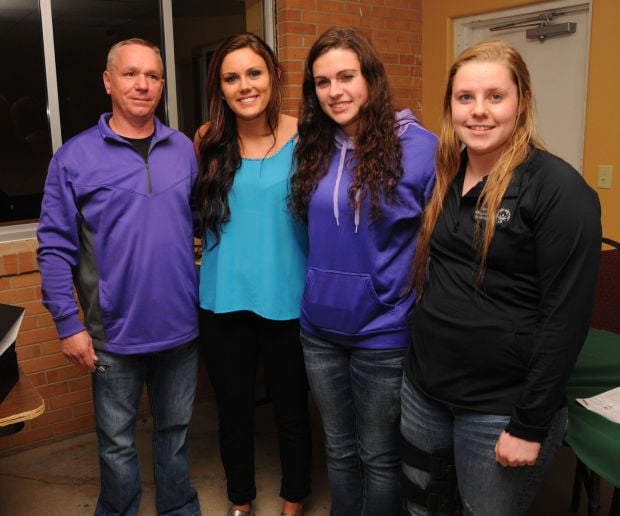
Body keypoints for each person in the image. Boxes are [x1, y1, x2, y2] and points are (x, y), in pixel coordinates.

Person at [400, 40, 602, 516]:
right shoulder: (448, 173)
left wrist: (530, 425)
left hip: (497, 410)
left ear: (522, 101)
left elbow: (565, 320)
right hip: (425, 391)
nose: (478, 112)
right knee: (421, 507)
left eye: (495, 96)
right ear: (450, 105)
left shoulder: (559, 190)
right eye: (465, 97)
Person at [37, 38, 201, 516]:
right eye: (130, 74)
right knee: (116, 444)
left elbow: (197, 222)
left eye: (152, 75)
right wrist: (68, 324)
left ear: (162, 85)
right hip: (112, 335)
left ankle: (178, 508)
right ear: (109, 81)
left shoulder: (183, 149)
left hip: (180, 330)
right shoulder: (74, 158)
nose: (142, 84)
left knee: (174, 434)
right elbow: (54, 248)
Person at [289, 26, 437, 516]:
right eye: (322, 81)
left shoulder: (423, 149)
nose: (335, 91)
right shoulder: (311, 147)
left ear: (370, 77)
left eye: (346, 76)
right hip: (319, 330)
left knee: (378, 454)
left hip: (384, 332)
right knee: (338, 448)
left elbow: (441, 244)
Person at [193, 33, 311, 516]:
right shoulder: (206, 140)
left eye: (254, 73)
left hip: (288, 294)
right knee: (233, 412)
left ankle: (294, 498)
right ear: (220, 88)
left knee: (291, 411)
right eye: (231, 77)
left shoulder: (308, 134)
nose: (245, 85)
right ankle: (240, 500)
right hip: (222, 298)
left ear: (275, 76)